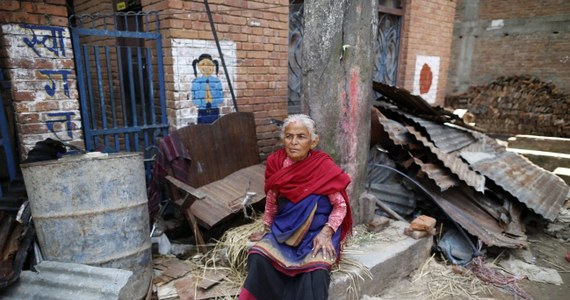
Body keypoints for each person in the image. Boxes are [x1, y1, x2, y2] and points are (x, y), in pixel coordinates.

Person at [239, 114, 353, 300]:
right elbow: (271, 201)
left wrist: (326, 232)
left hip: (316, 235)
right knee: (258, 256)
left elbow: (340, 206)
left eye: (301, 136)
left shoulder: (323, 167)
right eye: (289, 136)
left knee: (317, 272)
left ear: (313, 141)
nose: (293, 142)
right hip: (285, 231)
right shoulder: (276, 163)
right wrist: (267, 228)